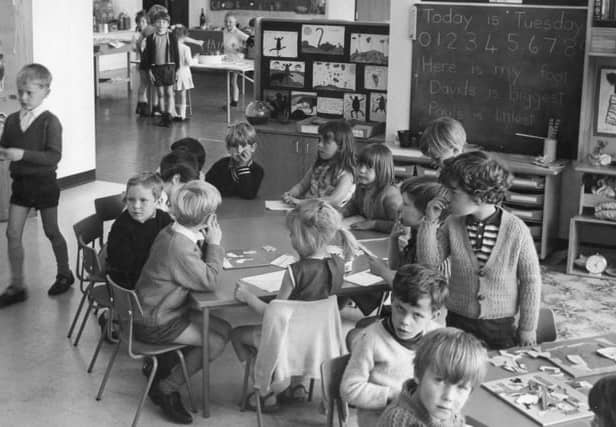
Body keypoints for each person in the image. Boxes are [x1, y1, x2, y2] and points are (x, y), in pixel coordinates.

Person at [231, 200, 358, 411]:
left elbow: (272, 315)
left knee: (236, 335)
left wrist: (248, 297)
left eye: (292, 233)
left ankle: (266, 390)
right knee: (301, 328)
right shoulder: (338, 264)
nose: (290, 238)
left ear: (306, 237)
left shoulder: (294, 271)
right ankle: (297, 385)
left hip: (286, 340)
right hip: (316, 340)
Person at [417, 151, 542, 349]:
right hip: (459, 321)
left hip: (500, 326)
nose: (447, 197)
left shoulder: (515, 229)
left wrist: (527, 328)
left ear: (478, 195)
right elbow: (429, 264)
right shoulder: (452, 224)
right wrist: (429, 222)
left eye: (453, 192)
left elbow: (531, 281)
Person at [134, 180, 231, 424]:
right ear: (209, 218)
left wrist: (207, 245)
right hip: (157, 321)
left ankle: (168, 371)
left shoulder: (171, 231)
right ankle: (167, 388)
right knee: (216, 343)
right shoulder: (179, 247)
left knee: (226, 330)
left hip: (157, 309)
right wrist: (215, 245)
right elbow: (209, 280)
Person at [0, 63, 74, 306]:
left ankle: (65, 273)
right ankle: (17, 285)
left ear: (45, 93)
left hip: (44, 186)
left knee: (51, 231)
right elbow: (6, 148)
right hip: (21, 186)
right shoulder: (11, 120)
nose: (23, 97)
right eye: (20, 91)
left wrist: (22, 154)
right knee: (12, 233)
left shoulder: (49, 122)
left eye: (29, 92)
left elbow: (53, 157)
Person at [340, 264, 448, 427]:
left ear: (434, 315)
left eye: (417, 315)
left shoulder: (437, 336)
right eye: (399, 308)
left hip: (418, 418)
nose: (405, 321)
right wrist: (394, 395)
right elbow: (350, 390)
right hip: (380, 420)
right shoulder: (370, 339)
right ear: (392, 300)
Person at [377, 327, 488, 427]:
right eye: (440, 381)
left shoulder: (445, 408)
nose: (449, 397)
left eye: (462, 387)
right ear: (417, 374)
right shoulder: (397, 421)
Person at [106, 172, 172, 290]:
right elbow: (122, 267)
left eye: (143, 200)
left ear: (157, 201)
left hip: (153, 278)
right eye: (131, 200)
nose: (136, 206)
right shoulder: (121, 227)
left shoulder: (164, 219)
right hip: (129, 287)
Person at [283, 120, 356, 209]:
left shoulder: (347, 174)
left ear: (341, 147)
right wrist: (291, 194)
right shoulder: (318, 165)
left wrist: (302, 203)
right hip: (308, 210)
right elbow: (302, 186)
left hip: (328, 215)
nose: (320, 145)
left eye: (326, 142)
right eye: (320, 140)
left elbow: (334, 200)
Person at [342, 143, 402, 234]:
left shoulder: (391, 195)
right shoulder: (362, 185)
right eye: (359, 165)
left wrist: (374, 224)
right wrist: (339, 213)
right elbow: (353, 206)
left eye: (369, 167)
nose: (361, 170)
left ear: (381, 170)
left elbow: (400, 226)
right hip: (368, 234)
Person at [205, 121, 264, 199]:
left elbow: (248, 195)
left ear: (253, 148)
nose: (239, 151)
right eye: (235, 146)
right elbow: (206, 187)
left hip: (246, 209)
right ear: (228, 148)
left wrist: (243, 166)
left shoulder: (257, 170)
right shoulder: (220, 166)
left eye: (243, 145)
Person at [142, 11, 179, 127]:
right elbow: (147, 57)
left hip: (169, 68)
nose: (161, 24)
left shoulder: (172, 37)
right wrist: (149, 71)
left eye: (164, 22)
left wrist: (177, 70)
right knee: (160, 93)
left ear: (168, 24)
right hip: (156, 69)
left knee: (169, 92)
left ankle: (169, 116)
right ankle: (163, 116)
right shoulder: (150, 38)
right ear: (154, 24)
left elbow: (176, 54)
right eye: (159, 22)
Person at [132, 10, 156, 117]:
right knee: (146, 84)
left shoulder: (146, 31)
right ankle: (146, 106)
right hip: (146, 62)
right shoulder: (145, 32)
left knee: (146, 84)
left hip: (146, 61)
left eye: (142, 21)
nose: (140, 24)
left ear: (145, 21)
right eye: (139, 22)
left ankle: (144, 106)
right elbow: (140, 49)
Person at [223, 11, 249, 108]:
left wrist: (241, 48)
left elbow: (250, 42)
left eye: (230, 22)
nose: (228, 24)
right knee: (230, 82)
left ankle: (234, 102)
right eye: (226, 21)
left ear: (234, 22)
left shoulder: (238, 33)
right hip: (226, 59)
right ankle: (232, 101)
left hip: (236, 59)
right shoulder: (224, 31)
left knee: (233, 81)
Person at [172, 25, 195, 122]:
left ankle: (173, 113)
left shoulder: (171, 47)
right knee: (182, 95)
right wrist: (196, 59)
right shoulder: (186, 48)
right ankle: (182, 115)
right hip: (183, 73)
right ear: (184, 36)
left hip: (173, 73)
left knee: (172, 94)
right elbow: (189, 62)